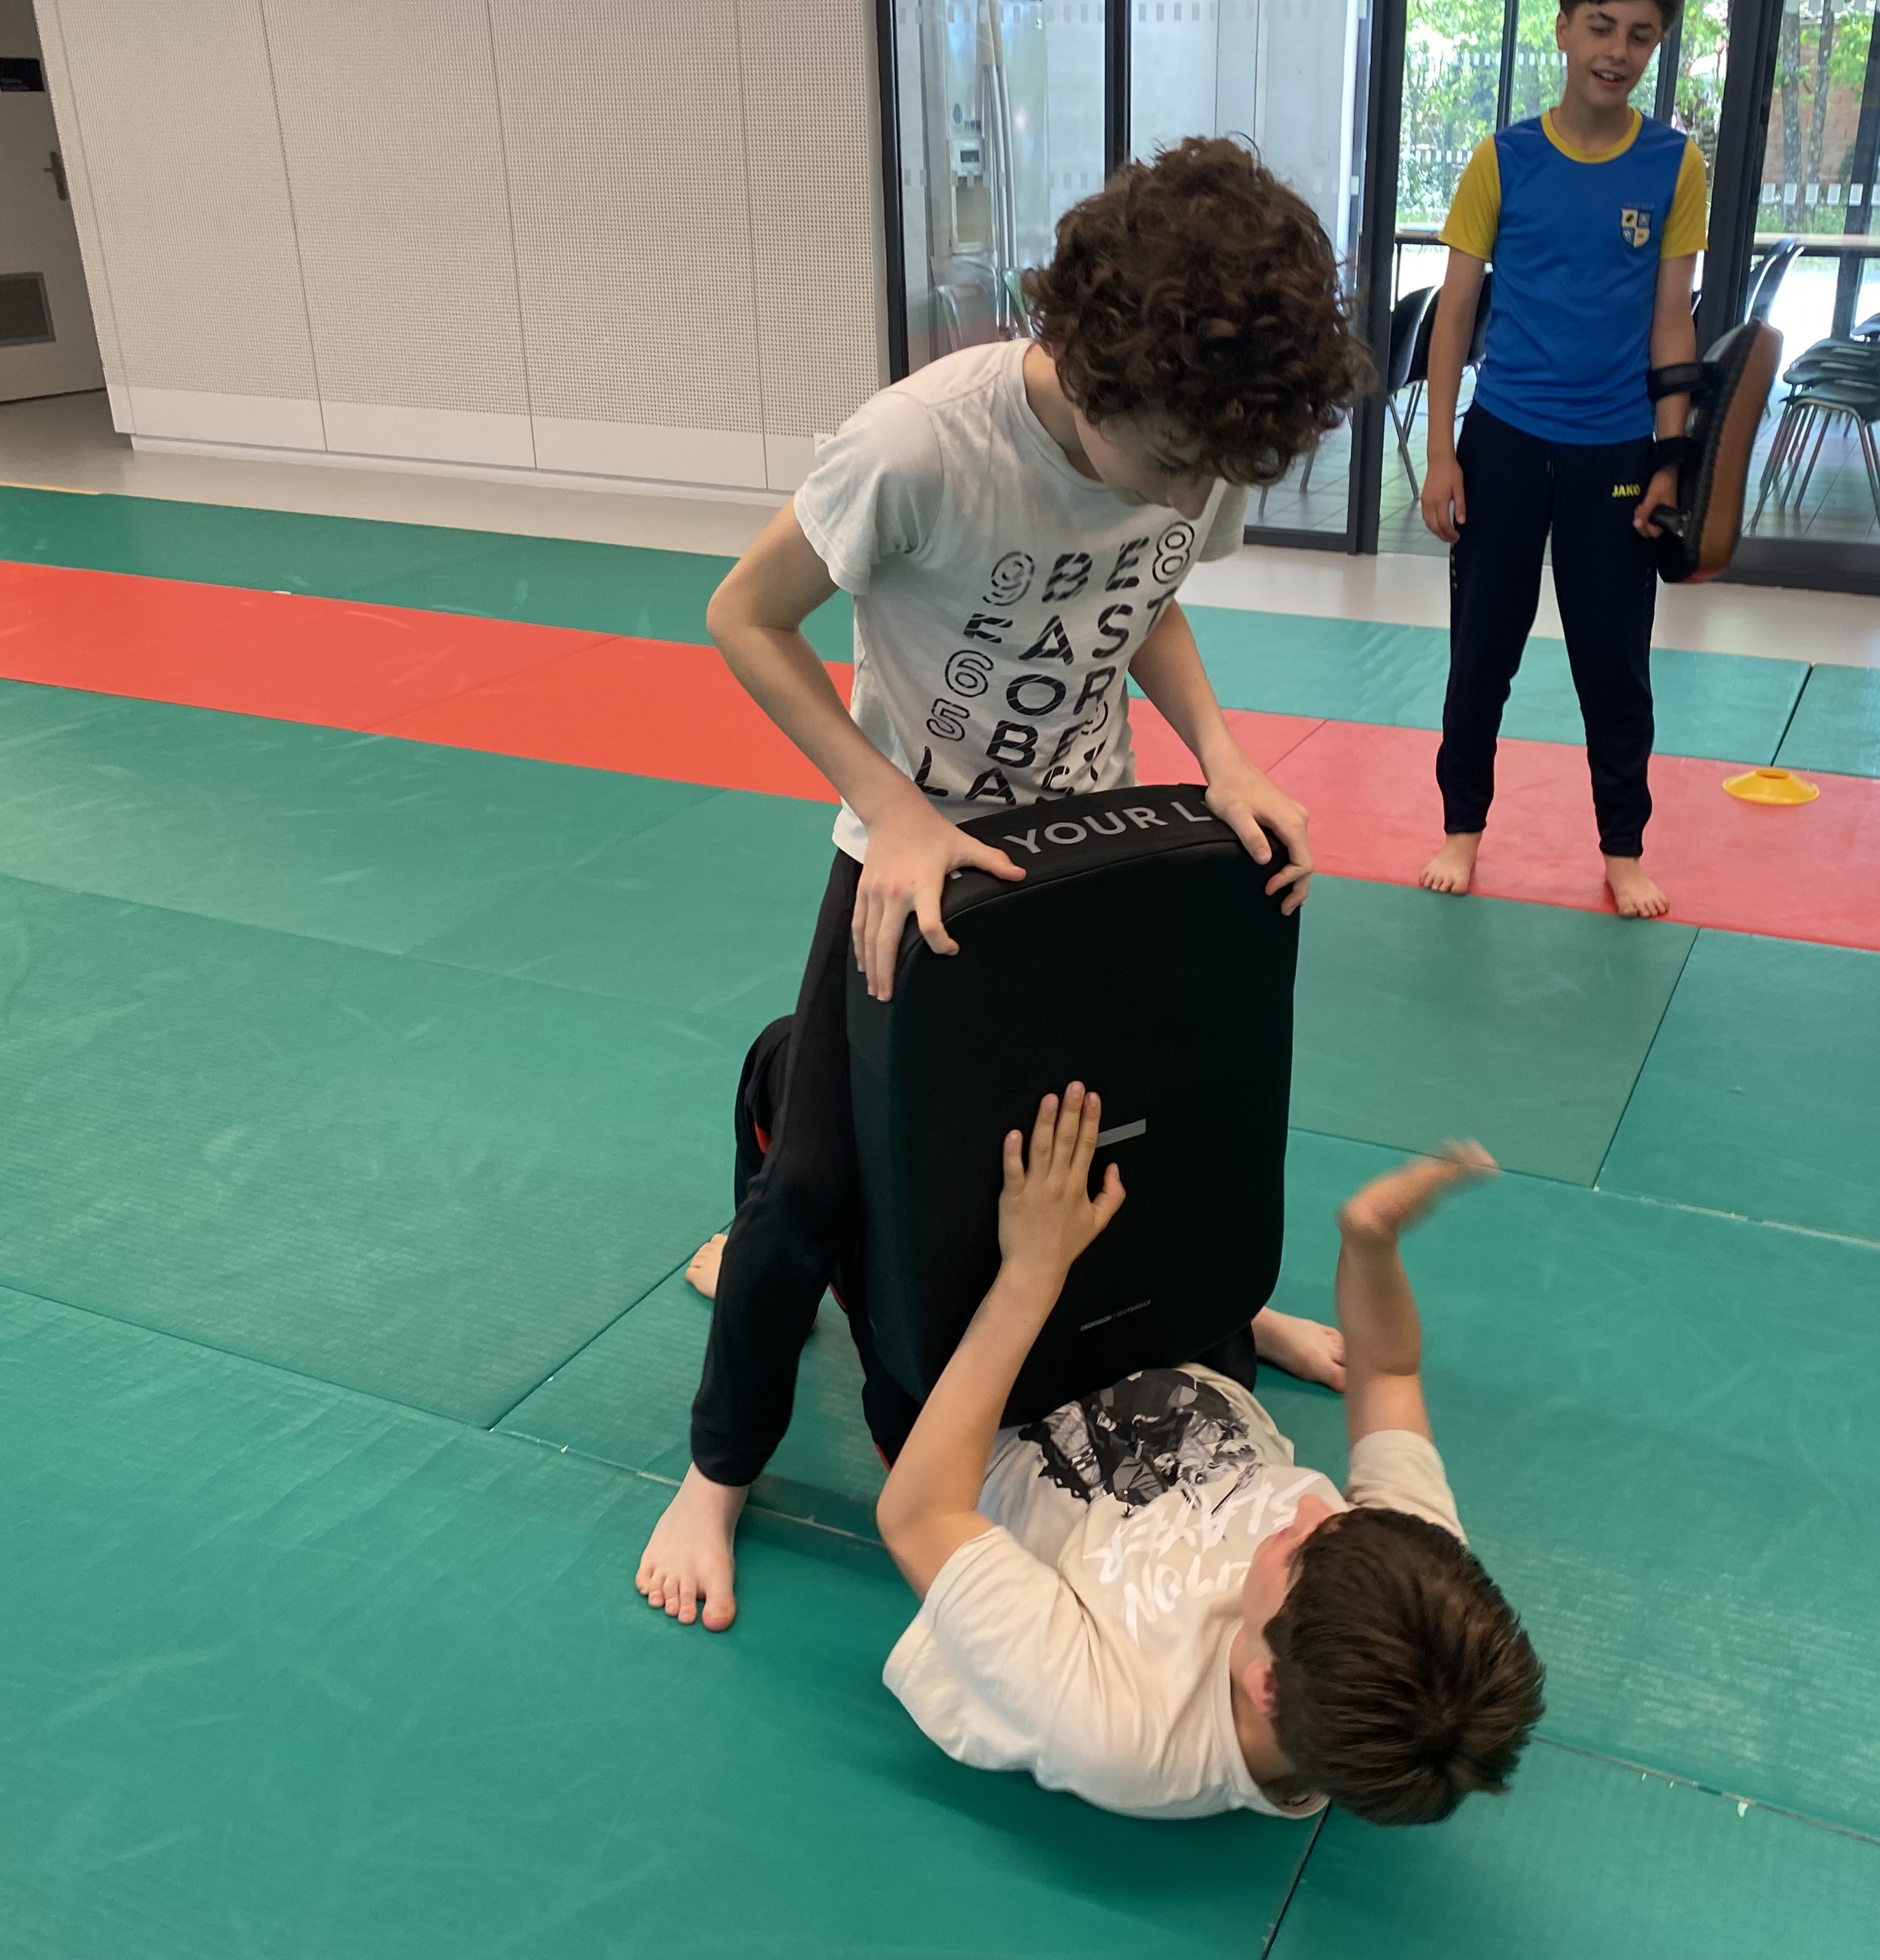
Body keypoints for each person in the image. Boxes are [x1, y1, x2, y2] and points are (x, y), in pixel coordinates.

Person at [636, 137, 1371, 1633]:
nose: (1193, 490)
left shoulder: (1198, 439)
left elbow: (1143, 596)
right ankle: (719, 1471)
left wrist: (1223, 753)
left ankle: (1223, 1317)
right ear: (1091, 360)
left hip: (1094, 851)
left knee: (1142, 1128)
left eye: (1214, 471)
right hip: (917, 864)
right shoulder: (918, 450)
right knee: (818, 1183)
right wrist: (892, 809)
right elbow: (744, 618)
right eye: (1174, 460)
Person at [876, 1086, 1544, 1823]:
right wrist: (1370, 1243)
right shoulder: (1416, 1589)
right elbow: (1387, 1374)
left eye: (1296, 1547)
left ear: (1264, 1685)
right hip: (1173, 1366)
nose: (1314, 1507)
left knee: (895, 1144)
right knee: (1153, 1131)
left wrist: (1031, 1276)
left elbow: (920, 1518)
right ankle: (1253, 1322)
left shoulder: (1124, 1733)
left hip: (987, 1428)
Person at [1415, 0, 1703, 920]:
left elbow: (1672, 320)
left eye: (1641, 35)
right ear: (1564, 28)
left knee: (1614, 666)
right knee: (1481, 655)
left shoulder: (1675, 164)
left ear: (1657, 45)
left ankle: (1623, 849)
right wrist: (1440, 454)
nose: (1618, 51)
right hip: (1504, 441)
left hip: (1615, 450)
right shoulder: (1502, 159)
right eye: (1602, 26)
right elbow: (1454, 314)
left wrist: (1670, 459)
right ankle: (1462, 828)